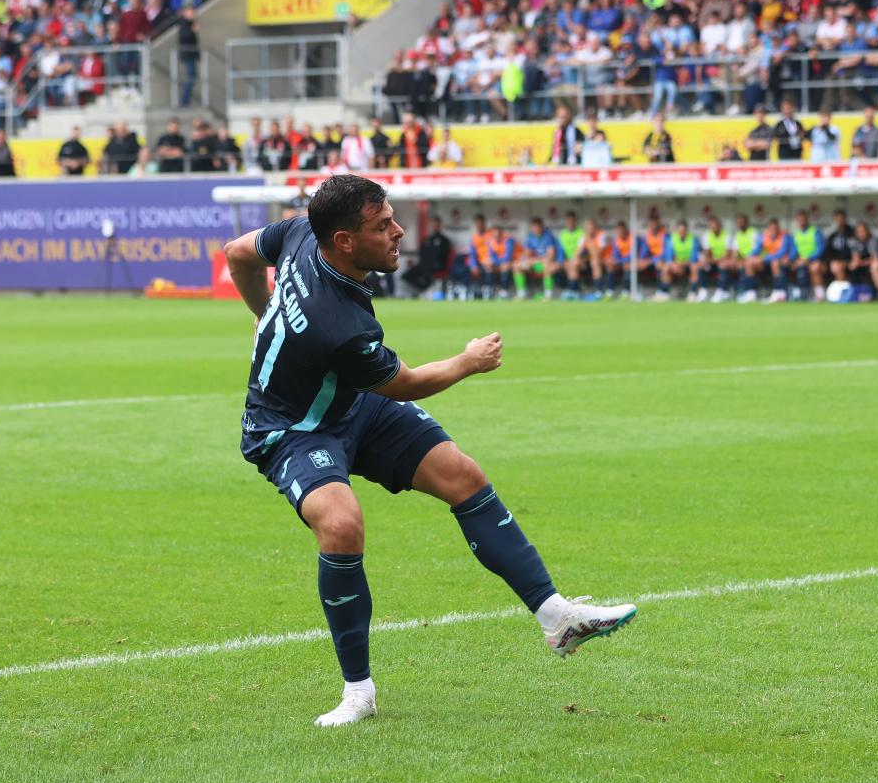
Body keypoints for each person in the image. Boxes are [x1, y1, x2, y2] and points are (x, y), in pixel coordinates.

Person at [218, 175, 637, 726]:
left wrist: (263, 311)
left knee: (461, 475)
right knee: (341, 527)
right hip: (292, 428)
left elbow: (237, 255)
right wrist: (468, 361)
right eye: (382, 226)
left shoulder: (299, 231)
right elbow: (407, 383)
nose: (398, 232)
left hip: (350, 405)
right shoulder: (340, 324)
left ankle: (556, 618)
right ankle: (358, 692)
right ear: (344, 241)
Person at [745, 217, 796, 303]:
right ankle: (751, 293)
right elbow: (756, 250)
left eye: (775, 229)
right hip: (767, 264)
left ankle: (779, 293)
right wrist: (750, 257)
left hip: (783, 263)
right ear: (768, 229)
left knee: (775, 263)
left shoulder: (785, 237)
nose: (773, 231)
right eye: (771, 229)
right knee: (749, 262)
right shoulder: (764, 237)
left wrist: (764, 259)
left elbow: (782, 253)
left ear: (778, 228)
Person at [404, 220, 453, 298]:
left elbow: (444, 256)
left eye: (437, 225)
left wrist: (435, 263)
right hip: (424, 265)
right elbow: (421, 252)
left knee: (427, 276)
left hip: (437, 266)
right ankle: (423, 290)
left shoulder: (444, 240)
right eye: (433, 225)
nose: (435, 226)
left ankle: (427, 292)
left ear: (440, 226)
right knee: (407, 275)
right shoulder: (427, 239)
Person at [515, 217, 562, 299]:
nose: (535, 229)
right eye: (533, 227)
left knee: (548, 266)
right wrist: (526, 260)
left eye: (537, 227)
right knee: (517, 266)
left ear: (541, 227)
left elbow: (550, 256)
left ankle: (548, 294)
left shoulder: (548, 236)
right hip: (535, 264)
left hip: (546, 264)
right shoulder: (530, 237)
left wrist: (535, 260)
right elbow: (527, 253)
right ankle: (521, 294)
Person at [695, 214, 732, 304]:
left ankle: (722, 291)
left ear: (720, 226)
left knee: (723, 265)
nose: (713, 227)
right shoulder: (707, 236)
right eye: (711, 226)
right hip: (713, 261)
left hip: (724, 261)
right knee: (702, 265)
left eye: (715, 225)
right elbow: (707, 253)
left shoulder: (727, 236)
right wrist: (709, 260)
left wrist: (715, 259)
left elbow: (727, 254)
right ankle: (703, 291)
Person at [637, 218, 674, 300]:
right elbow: (644, 252)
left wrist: (657, 259)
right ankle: (637, 291)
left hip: (663, 260)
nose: (653, 227)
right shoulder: (647, 237)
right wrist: (642, 260)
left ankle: (664, 292)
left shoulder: (664, 235)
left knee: (662, 266)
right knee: (638, 265)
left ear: (658, 225)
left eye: (654, 225)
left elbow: (668, 251)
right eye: (651, 225)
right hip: (652, 260)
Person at [791, 211, 825, 300]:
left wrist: (809, 258)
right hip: (801, 260)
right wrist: (794, 260)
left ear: (807, 219)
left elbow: (820, 249)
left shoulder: (815, 232)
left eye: (803, 219)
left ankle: (820, 295)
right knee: (792, 266)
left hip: (813, 259)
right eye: (800, 219)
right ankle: (801, 294)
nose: (801, 221)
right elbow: (794, 251)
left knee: (815, 268)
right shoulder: (796, 234)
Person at [555, 212, 587, 300]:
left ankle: (572, 290)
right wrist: (561, 261)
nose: (570, 223)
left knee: (573, 265)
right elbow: (561, 250)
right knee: (556, 267)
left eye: (572, 221)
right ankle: (572, 290)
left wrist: (574, 259)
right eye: (568, 221)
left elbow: (582, 248)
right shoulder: (563, 234)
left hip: (581, 259)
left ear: (575, 221)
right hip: (567, 260)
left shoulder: (581, 232)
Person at [665, 219, 701, 301]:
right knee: (666, 268)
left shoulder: (693, 239)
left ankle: (692, 293)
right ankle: (664, 292)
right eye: (680, 230)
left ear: (687, 230)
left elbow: (694, 257)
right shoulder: (672, 239)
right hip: (676, 265)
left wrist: (682, 264)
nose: (682, 232)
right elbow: (669, 256)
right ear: (677, 230)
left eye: (684, 230)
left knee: (695, 267)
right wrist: (673, 264)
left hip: (688, 264)